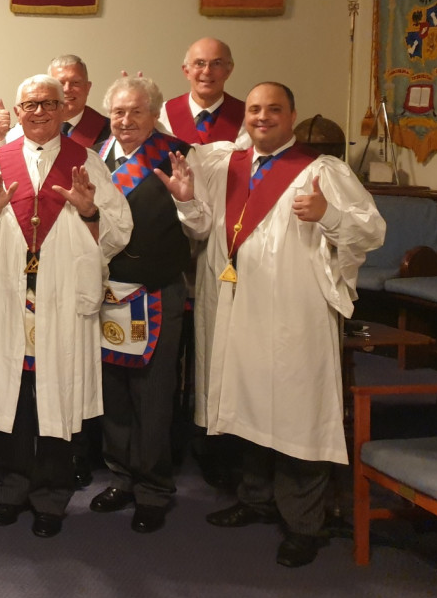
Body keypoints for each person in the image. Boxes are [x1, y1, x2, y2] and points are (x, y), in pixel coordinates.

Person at [158, 82, 384, 567]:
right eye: (256, 109)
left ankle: (304, 523)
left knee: (297, 409)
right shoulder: (226, 166)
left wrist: (329, 215)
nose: (262, 117)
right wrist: (187, 201)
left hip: (293, 313)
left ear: (292, 115)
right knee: (248, 399)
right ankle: (256, 498)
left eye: (274, 109)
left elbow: (372, 230)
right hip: (236, 305)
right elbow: (202, 228)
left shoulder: (321, 170)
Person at [0, 75, 131, 538]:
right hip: (10, 298)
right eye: (30, 104)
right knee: (12, 397)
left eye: (49, 104)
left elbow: (119, 229)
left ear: (63, 109)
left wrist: (90, 211)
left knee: (59, 395)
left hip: (61, 300)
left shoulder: (87, 163)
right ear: (18, 112)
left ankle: (51, 497)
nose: (39, 112)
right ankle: (11, 490)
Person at [86, 76, 200, 534]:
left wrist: (188, 202)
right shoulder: (94, 158)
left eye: (137, 111)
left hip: (155, 291)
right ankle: (121, 477)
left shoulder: (178, 156)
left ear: (155, 114)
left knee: (152, 394)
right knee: (112, 389)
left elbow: (200, 227)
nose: (126, 120)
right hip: (105, 292)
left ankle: (153, 488)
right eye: (118, 112)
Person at [0, 54, 111, 151]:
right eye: (60, 83)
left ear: (88, 87)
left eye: (75, 83)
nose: (67, 89)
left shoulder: (109, 131)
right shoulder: (29, 125)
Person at [157, 37, 249, 146]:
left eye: (217, 63)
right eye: (199, 63)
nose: (207, 71)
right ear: (186, 71)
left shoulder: (248, 118)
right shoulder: (160, 115)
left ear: (228, 71)